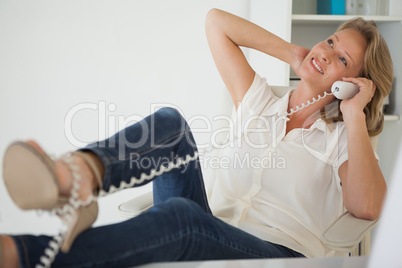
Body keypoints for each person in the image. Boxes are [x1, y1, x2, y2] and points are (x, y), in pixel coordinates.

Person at [0, 8, 393, 268]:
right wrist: (294, 53)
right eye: (330, 42)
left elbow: (366, 207)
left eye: (342, 59)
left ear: (355, 83)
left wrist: (354, 114)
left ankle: (21, 255)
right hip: (212, 225)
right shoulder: (260, 99)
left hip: (275, 254)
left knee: (181, 219)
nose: (327, 53)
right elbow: (216, 23)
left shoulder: (345, 137)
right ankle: (78, 177)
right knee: (170, 123)